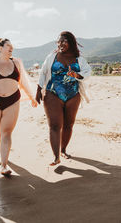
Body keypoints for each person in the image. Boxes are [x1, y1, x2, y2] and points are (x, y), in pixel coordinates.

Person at [0, 38, 37, 175]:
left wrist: (31, 97)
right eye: (8, 46)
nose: (11, 48)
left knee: (6, 132)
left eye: (12, 46)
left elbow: (23, 81)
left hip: (13, 100)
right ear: (0, 47)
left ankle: (4, 165)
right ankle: (2, 156)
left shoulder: (16, 63)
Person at [36, 31, 91, 166]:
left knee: (68, 125)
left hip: (73, 95)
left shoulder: (80, 59)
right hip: (52, 93)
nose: (61, 44)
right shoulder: (52, 57)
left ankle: (63, 150)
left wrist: (76, 75)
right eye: (59, 41)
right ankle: (56, 157)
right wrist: (38, 89)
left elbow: (87, 73)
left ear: (71, 43)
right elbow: (43, 72)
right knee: (54, 126)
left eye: (64, 41)